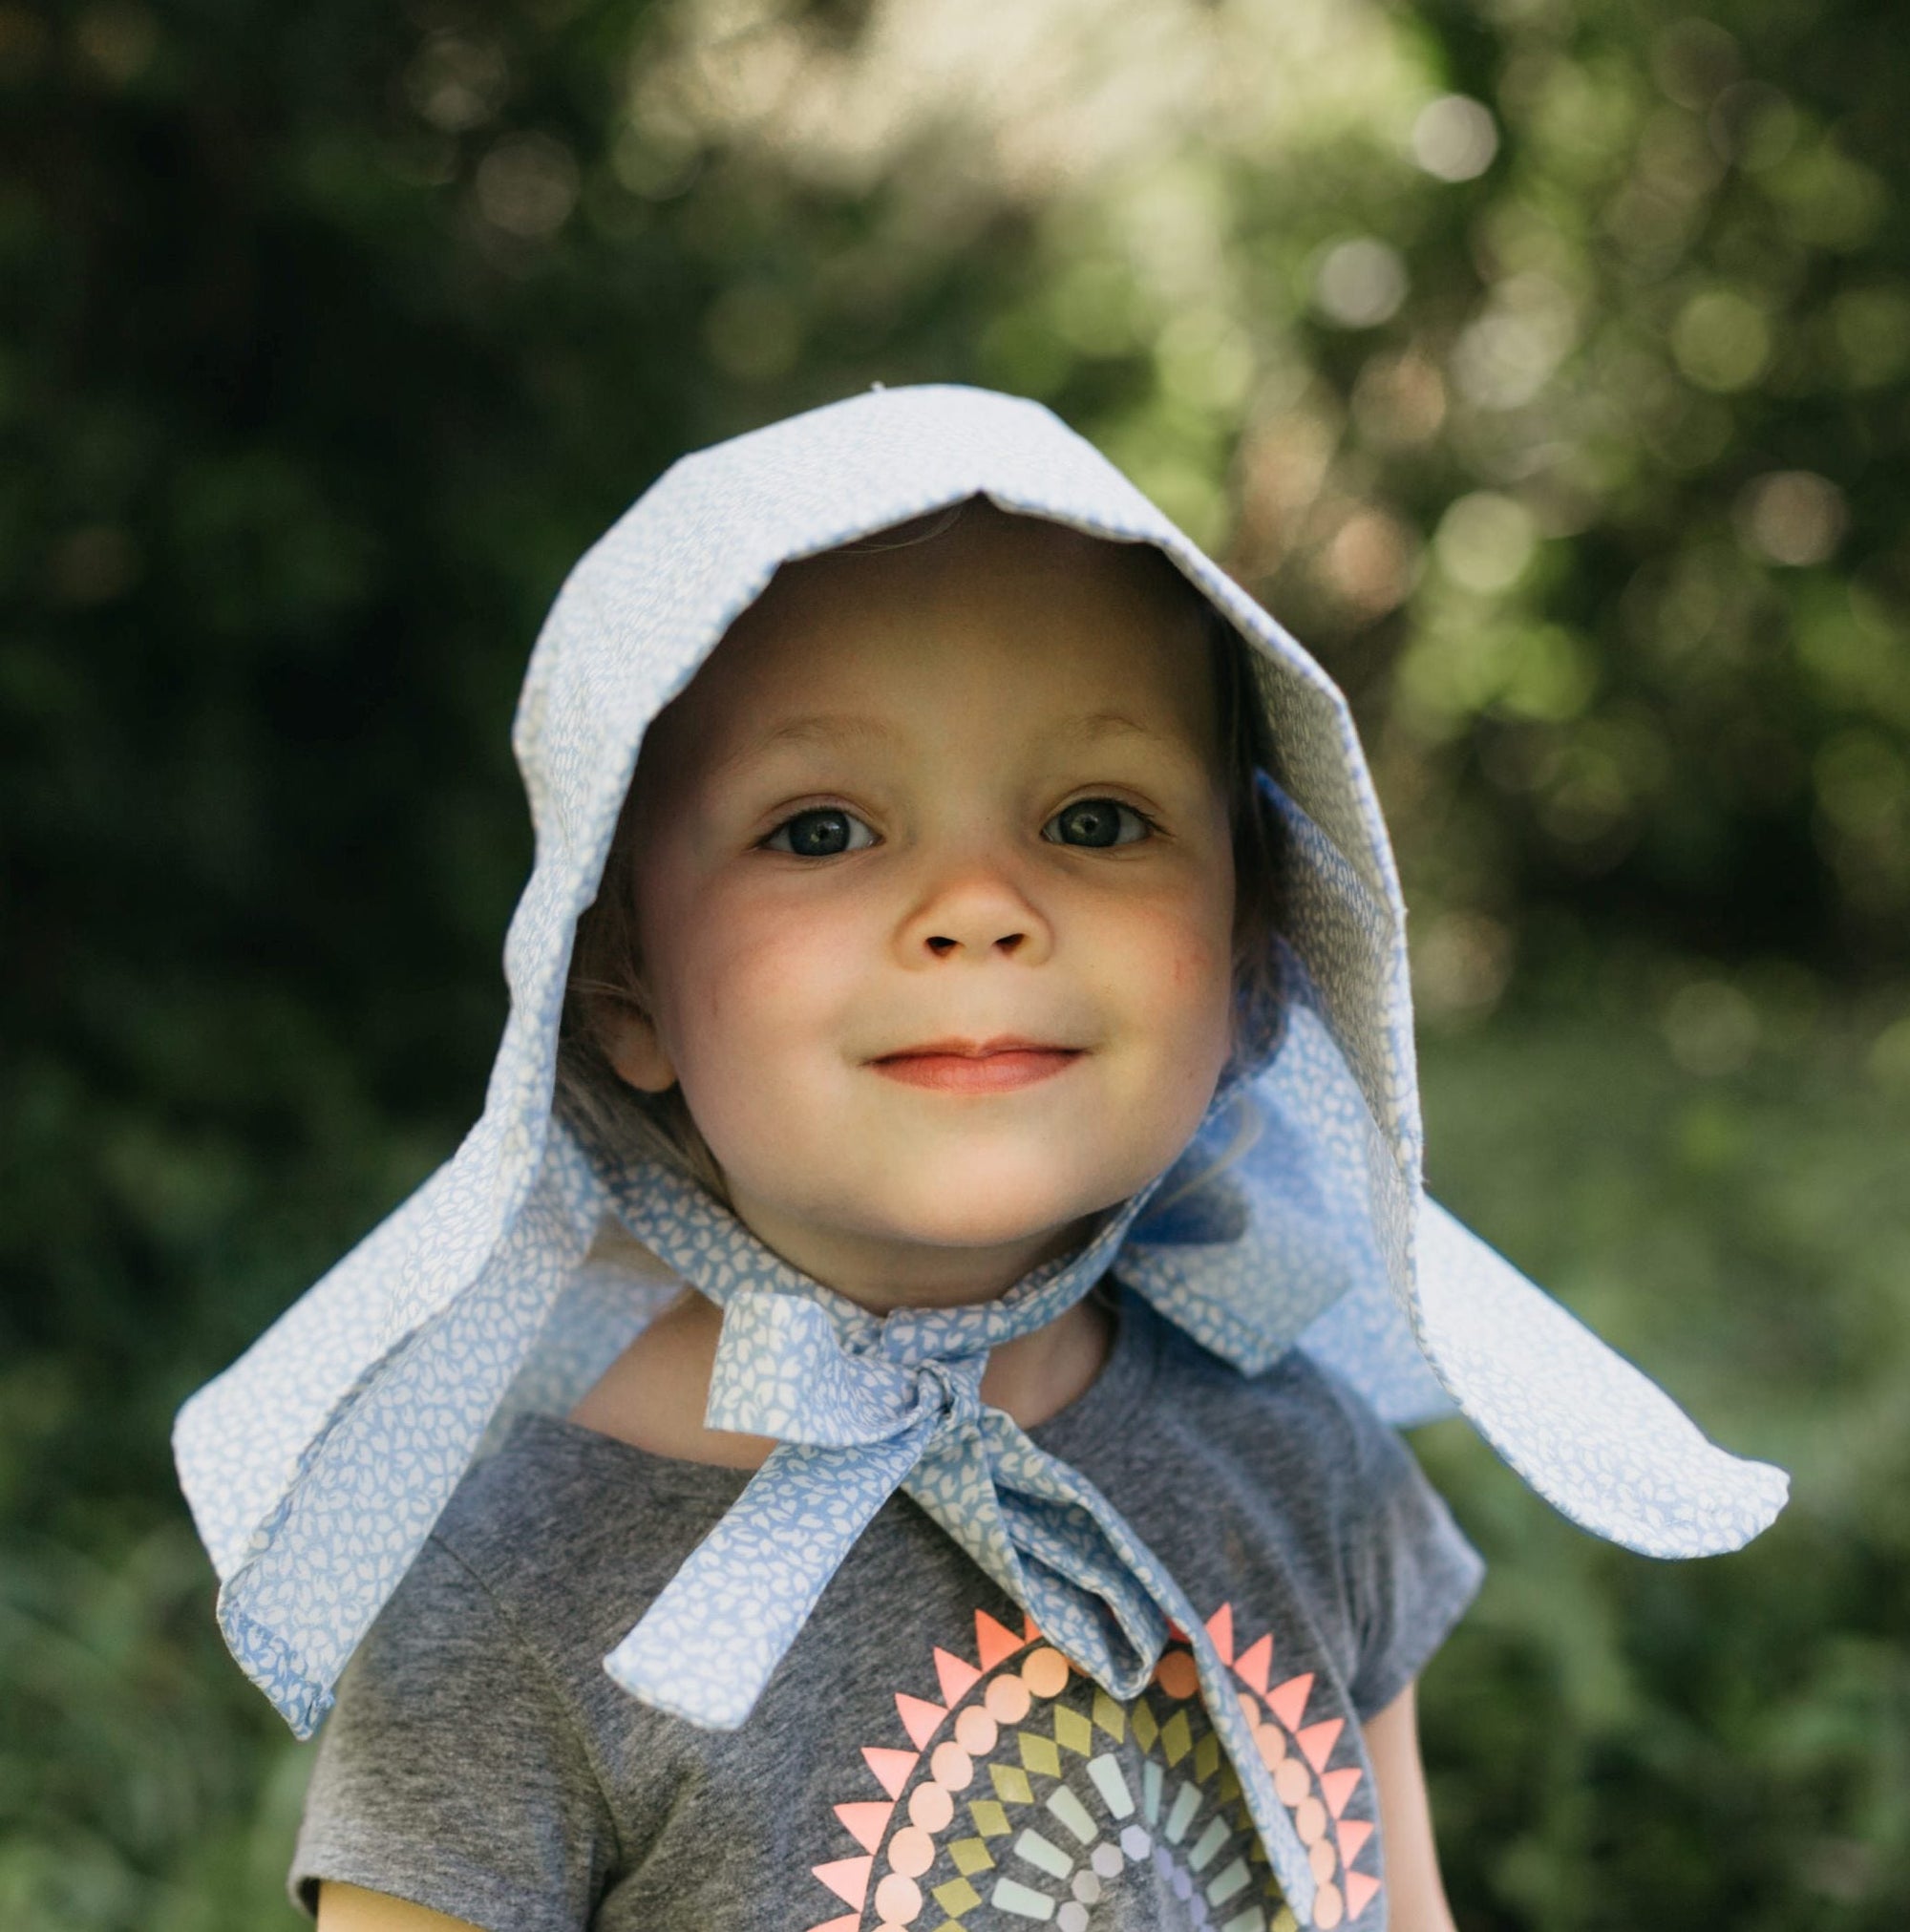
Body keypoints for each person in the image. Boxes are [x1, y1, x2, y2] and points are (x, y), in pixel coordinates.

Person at [173, 386, 1787, 1932]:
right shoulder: (500, 1597)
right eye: (821, 828)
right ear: (623, 999)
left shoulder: (1307, 1465)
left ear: (1248, 951)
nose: (978, 905)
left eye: (1095, 819)